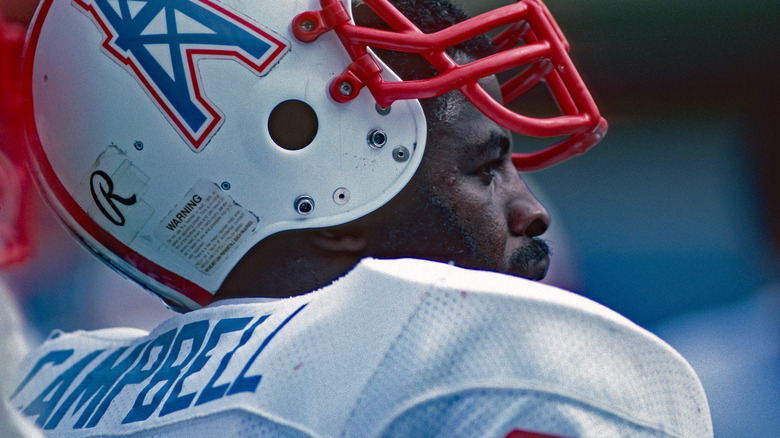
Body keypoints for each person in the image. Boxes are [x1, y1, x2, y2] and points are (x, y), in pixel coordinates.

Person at [10, 0, 711, 436]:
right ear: (331, 200)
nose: (529, 211)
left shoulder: (42, 390)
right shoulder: (466, 360)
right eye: (486, 169)